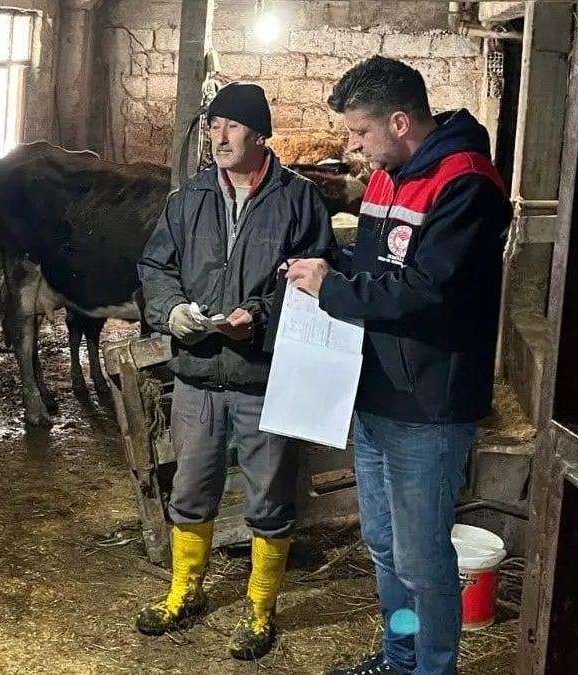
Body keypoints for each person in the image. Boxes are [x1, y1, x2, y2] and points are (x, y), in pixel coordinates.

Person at [284, 56, 512, 675]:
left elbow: (426, 290)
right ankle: (400, 656)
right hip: (378, 391)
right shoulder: (390, 177)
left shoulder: (466, 183)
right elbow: (375, 266)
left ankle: (432, 668)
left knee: (422, 559)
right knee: (384, 546)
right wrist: (322, 265)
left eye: (359, 133)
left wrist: (332, 289)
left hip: (429, 405)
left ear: (401, 120)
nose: (353, 147)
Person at [136, 81, 334, 661]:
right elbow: (155, 266)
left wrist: (262, 316)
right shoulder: (189, 197)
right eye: (212, 126)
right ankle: (184, 592)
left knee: (268, 499)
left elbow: (319, 277)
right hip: (197, 375)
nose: (218, 136)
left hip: (264, 379)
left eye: (231, 126)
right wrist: (171, 311)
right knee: (191, 490)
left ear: (259, 133)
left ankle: (259, 608)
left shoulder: (298, 200)